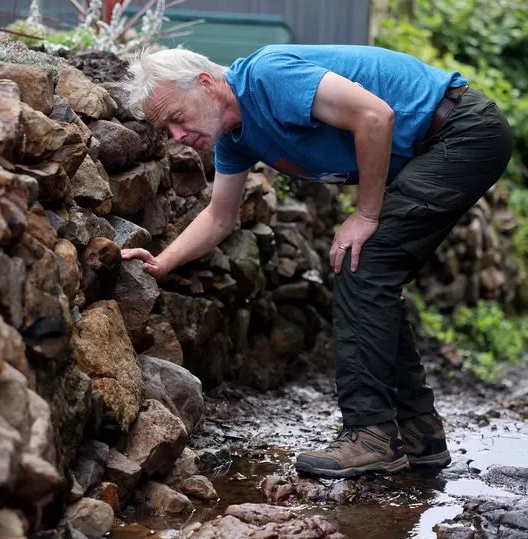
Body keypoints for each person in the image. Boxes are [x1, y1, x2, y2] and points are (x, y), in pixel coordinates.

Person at [121, 44, 513, 478]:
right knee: (368, 269)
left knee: (365, 259)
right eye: (167, 129)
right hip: (435, 145)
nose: (177, 136)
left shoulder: (267, 76)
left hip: (459, 131)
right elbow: (219, 217)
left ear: (206, 83)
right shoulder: (235, 139)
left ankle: (371, 435)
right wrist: (160, 262)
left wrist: (366, 215)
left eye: (176, 117)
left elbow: (374, 116)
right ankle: (417, 430)